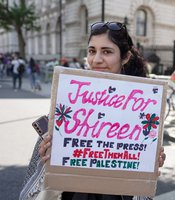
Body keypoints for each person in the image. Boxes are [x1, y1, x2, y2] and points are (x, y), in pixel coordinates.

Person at [19, 21, 166, 200]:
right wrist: (45, 162)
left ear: (125, 57)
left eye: (107, 51)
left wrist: (147, 164)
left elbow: (141, 185)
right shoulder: (67, 101)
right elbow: (36, 191)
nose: (96, 59)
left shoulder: (143, 109)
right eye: (91, 51)